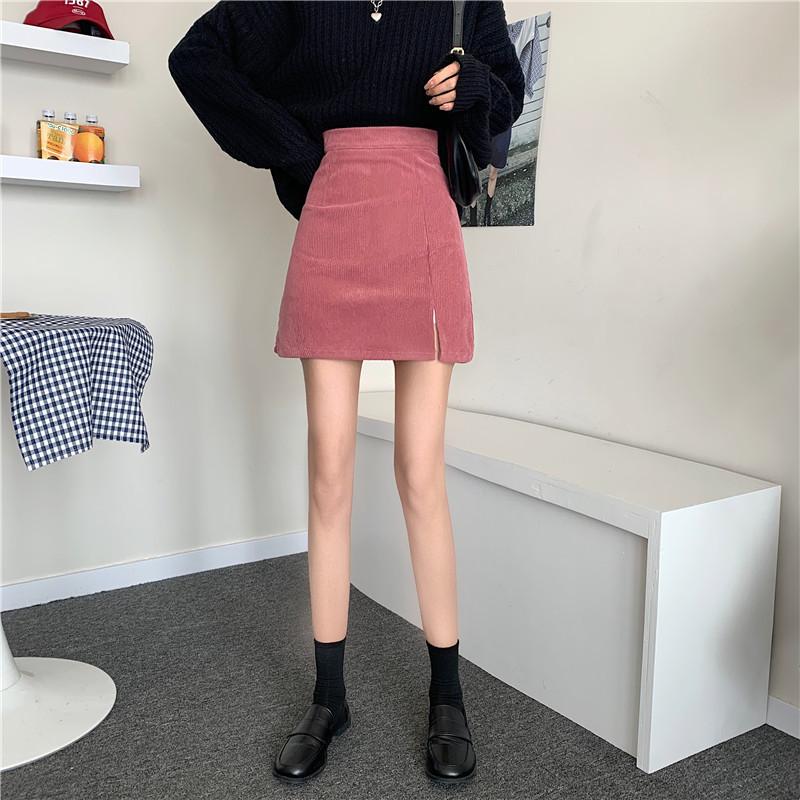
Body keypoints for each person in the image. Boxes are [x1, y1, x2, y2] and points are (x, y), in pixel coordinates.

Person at [168, 0, 524, 785]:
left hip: (424, 219)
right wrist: (298, 147)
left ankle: (447, 697)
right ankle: (329, 698)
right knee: (328, 471)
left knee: (420, 472)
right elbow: (196, 58)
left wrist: (472, 88)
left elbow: (506, 94)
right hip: (332, 220)